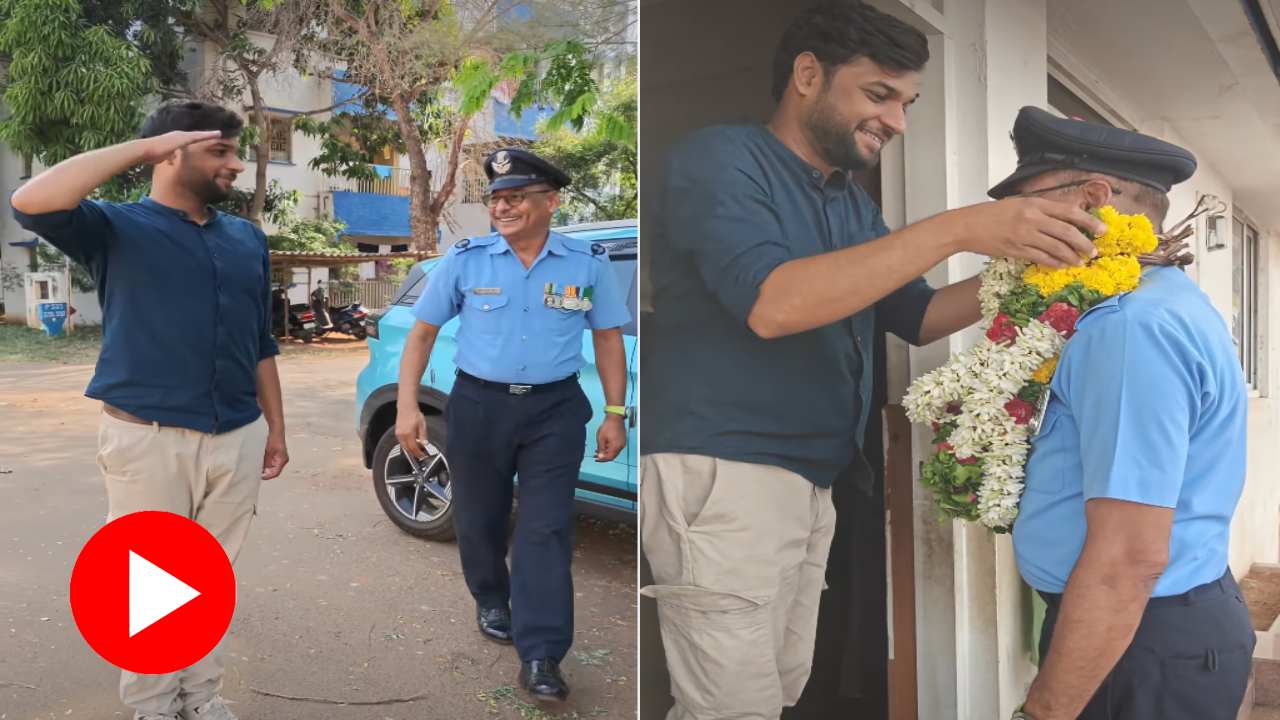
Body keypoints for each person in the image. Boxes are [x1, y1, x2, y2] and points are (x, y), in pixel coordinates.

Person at [639, 3, 1109, 719]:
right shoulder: (721, 159)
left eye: (907, 102)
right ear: (807, 75)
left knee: (779, 690)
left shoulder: (848, 204)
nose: (897, 120)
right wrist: (962, 228)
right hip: (725, 472)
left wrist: (1042, 270)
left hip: (809, 481)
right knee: (730, 708)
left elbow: (916, 316)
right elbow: (775, 305)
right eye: (879, 94)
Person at [10, 101, 288, 720]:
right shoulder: (114, 227)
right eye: (221, 151)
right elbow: (31, 200)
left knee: (210, 579)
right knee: (151, 585)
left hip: (237, 434)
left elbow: (260, 342)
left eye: (235, 152)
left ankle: (203, 698)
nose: (237, 165)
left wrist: (275, 427)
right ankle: (153, 706)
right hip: (148, 438)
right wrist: (142, 148)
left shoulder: (245, 238)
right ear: (171, 153)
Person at [996, 108, 1254, 720]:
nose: (1015, 224)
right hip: (1138, 631)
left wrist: (1045, 711)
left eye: (1029, 202)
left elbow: (1128, 560)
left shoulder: (1130, 328)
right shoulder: (1149, 301)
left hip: (1139, 639)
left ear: (1091, 198)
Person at [394, 148, 631, 701]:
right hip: (479, 406)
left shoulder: (586, 263)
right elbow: (422, 333)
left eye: (516, 197)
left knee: (546, 528)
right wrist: (407, 406)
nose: (502, 207)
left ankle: (543, 652)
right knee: (479, 518)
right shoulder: (466, 259)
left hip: (554, 410)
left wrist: (615, 413)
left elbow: (608, 339)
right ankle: (491, 597)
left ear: (550, 202)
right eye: (496, 198)